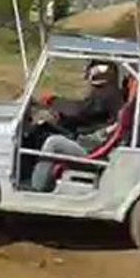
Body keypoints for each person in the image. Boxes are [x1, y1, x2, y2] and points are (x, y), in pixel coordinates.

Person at [29, 60, 126, 192]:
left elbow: (78, 111)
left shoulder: (106, 95)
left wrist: (54, 101)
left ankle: (36, 188)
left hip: (90, 148)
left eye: (91, 70)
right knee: (45, 130)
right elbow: (83, 111)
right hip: (91, 141)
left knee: (53, 143)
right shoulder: (110, 93)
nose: (88, 74)